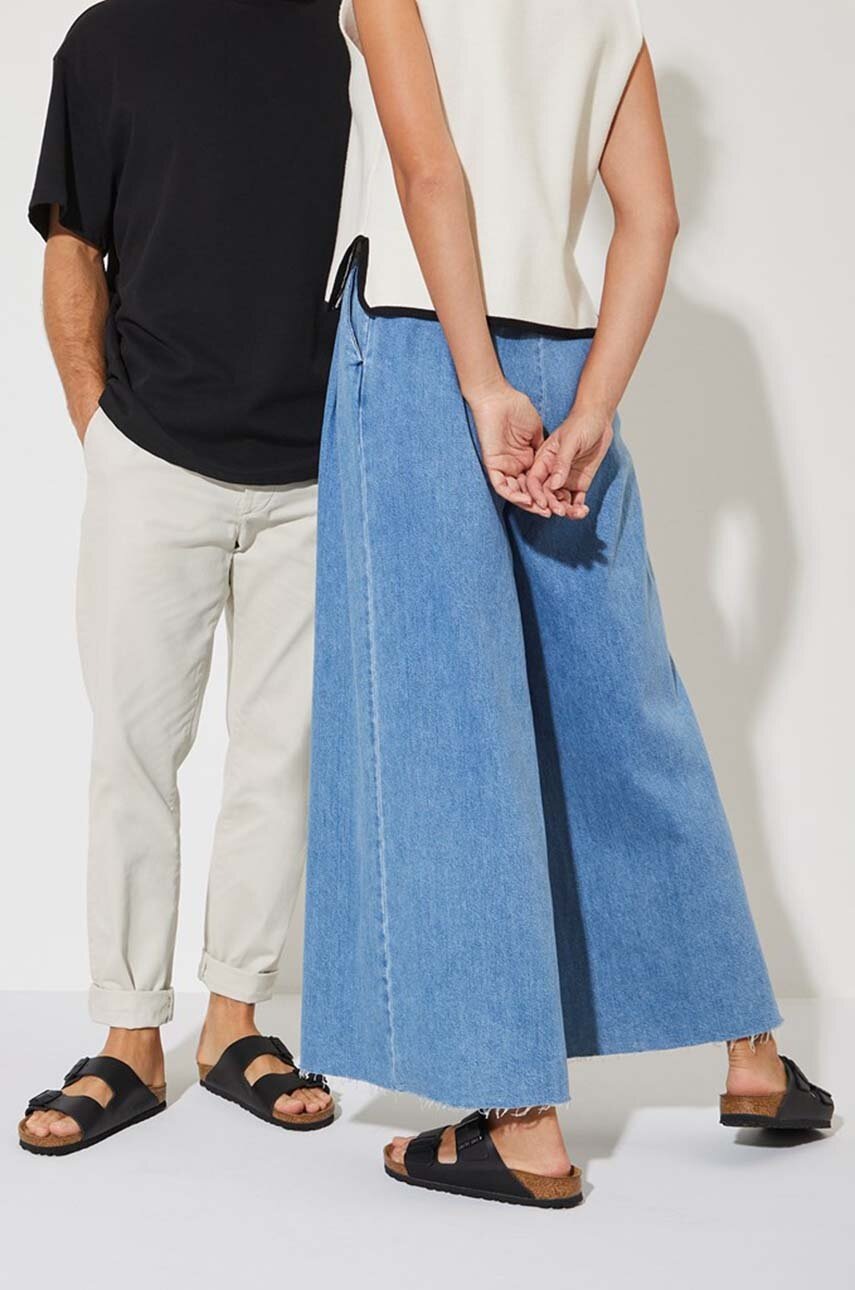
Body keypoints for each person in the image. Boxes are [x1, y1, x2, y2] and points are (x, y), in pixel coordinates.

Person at [300, 0, 834, 1207]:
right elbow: (654, 217)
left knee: (450, 727)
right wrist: (591, 406)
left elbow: (430, 171)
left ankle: (521, 1120)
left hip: (428, 349)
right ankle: (753, 1054)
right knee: (623, 710)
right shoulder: (606, 3)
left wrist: (479, 383)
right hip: (565, 352)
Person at [19, 0, 349, 1156]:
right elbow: (74, 244)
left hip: (318, 466)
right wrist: (99, 428)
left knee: (279, 757)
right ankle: (129, 1040)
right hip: (153, 453)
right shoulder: (108, 40)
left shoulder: (353, 32)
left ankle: (235, 1025)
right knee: (133, 752)